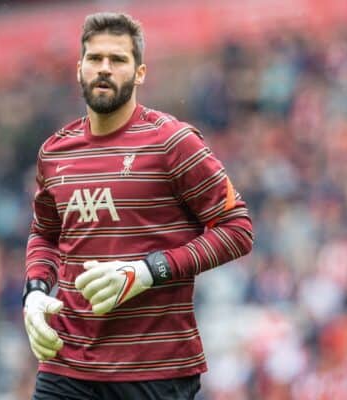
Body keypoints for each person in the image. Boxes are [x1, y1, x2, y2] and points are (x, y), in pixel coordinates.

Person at [22, 12, 254, 400]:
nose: (104, 69)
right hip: (67, 364)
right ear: (79, 68)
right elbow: (44, 234)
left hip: (154, 368)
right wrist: (33, 293)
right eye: (95, 59)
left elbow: (237, 229)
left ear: (140, 72)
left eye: (118, 59)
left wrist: (147, 271)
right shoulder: (54, 152)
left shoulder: (172, 142)